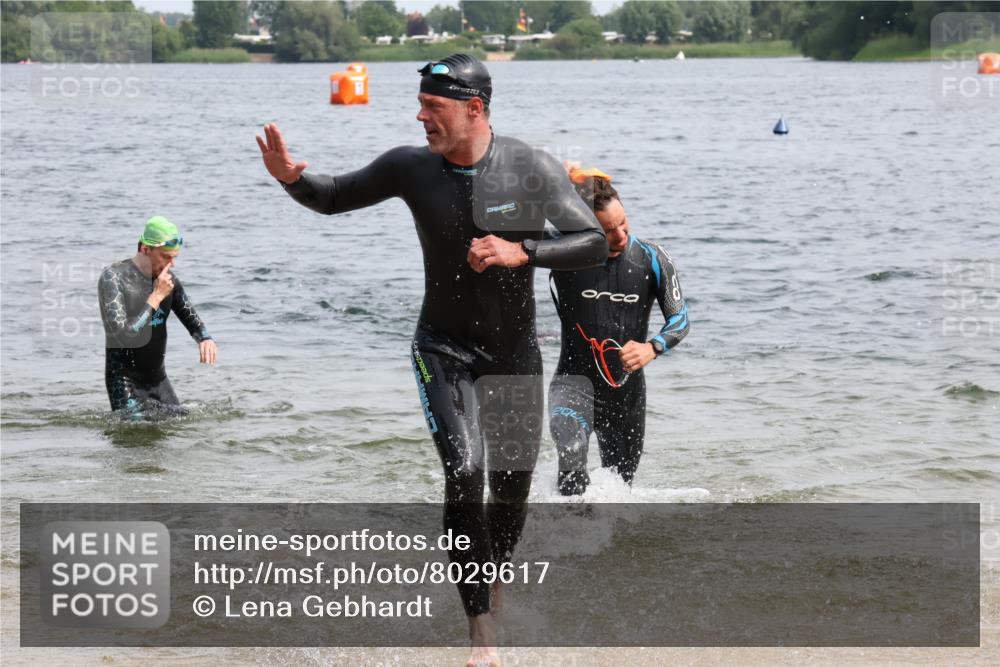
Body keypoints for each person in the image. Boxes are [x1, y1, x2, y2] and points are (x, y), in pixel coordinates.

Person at [256, 54, 607, 666]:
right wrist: (290, 178)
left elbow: (593, 241)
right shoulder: (410, 167)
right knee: (464, 469)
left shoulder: (530, 168)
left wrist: (523, 251)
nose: (421, 117)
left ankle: (491, 579)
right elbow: (334, 196)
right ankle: (480, 633)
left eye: (433, 107)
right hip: (441, 348)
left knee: (511, 489)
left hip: (514, 355)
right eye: (419, 105)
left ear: (474, 108)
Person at [548, 166, 689, 495]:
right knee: (571, 461)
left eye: (623, 223)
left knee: (618, 492)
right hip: (573, 384)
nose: (621, 236)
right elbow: (515, 227)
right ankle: (559, 542)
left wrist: (652, 348)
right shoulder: (562, 250)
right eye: (608, 230)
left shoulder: (652, 258)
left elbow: (680, 319)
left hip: (626, 395)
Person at [98, 216, 217, 420]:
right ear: (145, 249)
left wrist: (205, 338)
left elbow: (192, 320)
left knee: (184, 425)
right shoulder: (114, 278)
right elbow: (123, 335)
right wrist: (156, 297)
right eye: (166, 257)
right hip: (125, 383)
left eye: (174, 258)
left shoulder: (169, 282)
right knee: (136, 440)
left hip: (158, 381)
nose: (171, 265)